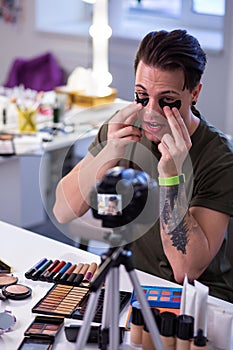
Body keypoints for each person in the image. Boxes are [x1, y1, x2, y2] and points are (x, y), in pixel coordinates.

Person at [53, 29, 233, 302]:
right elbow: (63, 210)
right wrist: (109, 152)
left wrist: (171, 178)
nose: (150, 112)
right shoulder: (124, 127)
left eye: (167, 100)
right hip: (132, 284)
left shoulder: (219, 158)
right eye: (141, 95)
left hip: (199, 302)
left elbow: (185, 270)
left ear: (195, 93)